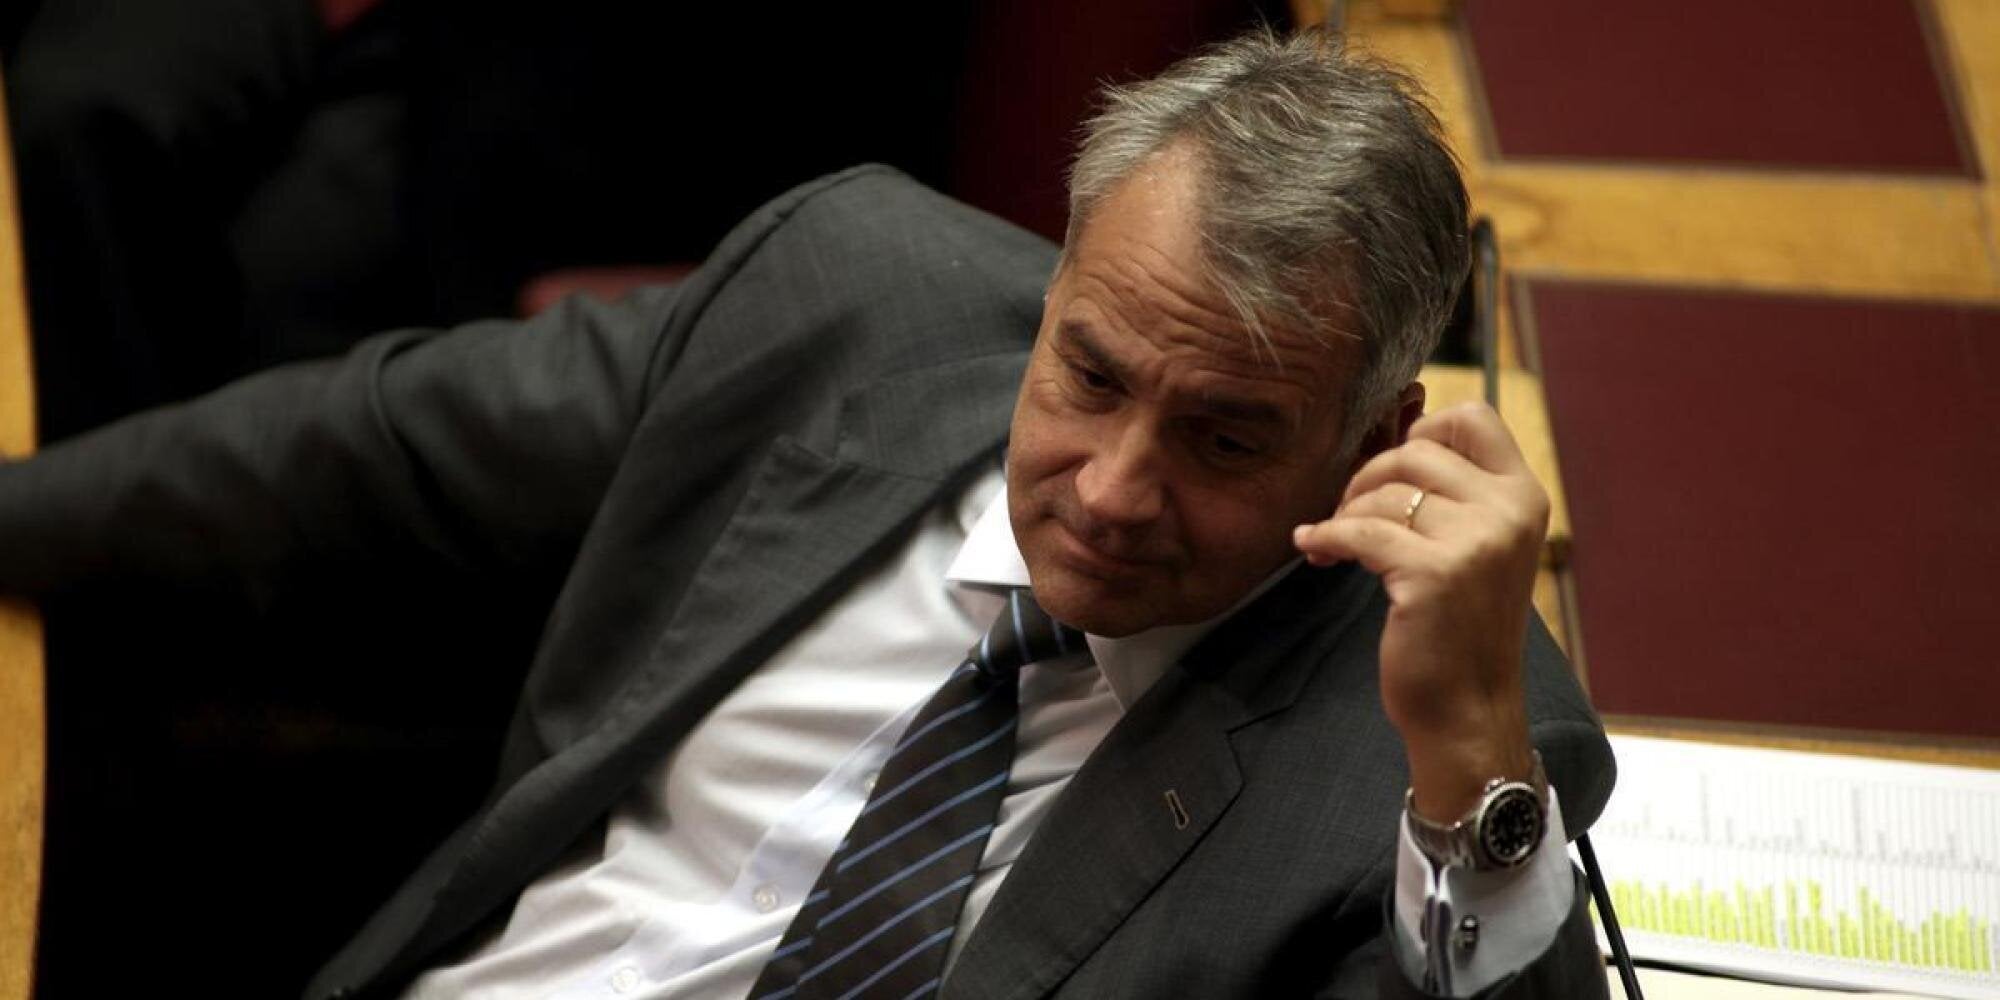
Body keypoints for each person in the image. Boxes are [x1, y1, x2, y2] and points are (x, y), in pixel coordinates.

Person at [0, 30, 1614, 998]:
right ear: (1055, 278)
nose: (1115, 489)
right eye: (1090, 374)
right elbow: (376, 453)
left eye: (1225, 439)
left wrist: (1472, 757)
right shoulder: (857, 295)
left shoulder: (1445, 733)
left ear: (1370, 441)